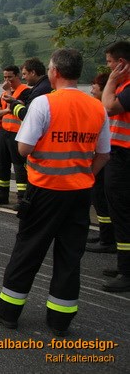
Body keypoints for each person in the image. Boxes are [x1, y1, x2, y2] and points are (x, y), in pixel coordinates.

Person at [0, 48, 110, 336]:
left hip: (45, 189)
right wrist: (84, 175)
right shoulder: (97, 106)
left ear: (54, 72)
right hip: (79, 192)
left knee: (29, 250)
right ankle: (60, 321)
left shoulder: (44, 103)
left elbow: (23, 148)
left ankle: (8, 312)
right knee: (70, 256)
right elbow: (104, 154)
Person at [101, 40, 130, 292]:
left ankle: (127, 271)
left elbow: (108, 107)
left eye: (110, 62)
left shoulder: (126, 87)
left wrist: (110, 82)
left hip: (124, 157)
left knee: (122, 214)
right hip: (119, 155)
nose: (108, 67)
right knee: (120, 213)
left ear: (121, 63)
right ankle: (124, 263)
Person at [0, 66, 30, 206]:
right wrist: (7, 110)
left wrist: (7, 98)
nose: (7, 80)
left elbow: (17, 108)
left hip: (18, 134)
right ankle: (0, 195)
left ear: (18, 76)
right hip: (4, 132)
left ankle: (22, 198)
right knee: (1, 164)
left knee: (19, 167)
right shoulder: (4, 94)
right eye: (5, 77)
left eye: (10, 77)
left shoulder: (25, 92)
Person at [85, 73, 115, 253]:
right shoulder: (100, 107)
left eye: (94, 87)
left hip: (106, 157)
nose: (91, 91)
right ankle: (105, 234)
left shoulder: (106, 108)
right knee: (99, 197)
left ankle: (108, 239)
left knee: (102, 197)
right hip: (103, 156)